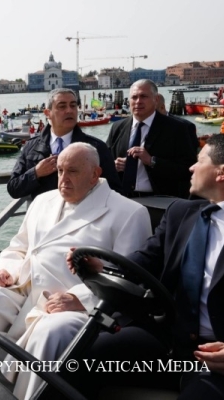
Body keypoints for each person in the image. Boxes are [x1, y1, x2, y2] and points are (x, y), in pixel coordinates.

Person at [0, 143, 152, 400]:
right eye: (59, 171)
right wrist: (4, 271)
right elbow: (19, 247)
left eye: (72, 171)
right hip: (24, 288)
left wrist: (80, 298)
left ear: (95, 174)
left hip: (77, 305)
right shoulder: (42, 201)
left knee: (52, 332)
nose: (63, 179)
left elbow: (127, 276)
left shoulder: (129, 213)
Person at [66, 133, 224, 399]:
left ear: (220, 173)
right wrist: (100, 268)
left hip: (216, 355)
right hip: (168, 341)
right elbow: (142, 263)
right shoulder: (180, 213)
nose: (191, 167)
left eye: (199, 161)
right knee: (80, 357)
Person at [7, 88, 123, 200]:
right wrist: (36, 172)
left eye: (73, 105)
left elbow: (114, 190)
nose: (69, 110)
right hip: (45, 217)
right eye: (62, 106)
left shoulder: (96, 147)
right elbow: (13, 188)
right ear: (48, 113)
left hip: (82, 217)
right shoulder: (31, 147)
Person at [106, 79, 197, 198]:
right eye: (134, 97)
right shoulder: (117, 128)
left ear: (156, 99)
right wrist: (113, 165)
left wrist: (152, 161)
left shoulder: (177, 128)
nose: (138, 101)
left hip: (161, 200)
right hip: (123, 199)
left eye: (144, 96)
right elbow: (104, 162)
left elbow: (188, 170)